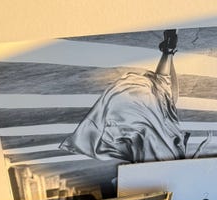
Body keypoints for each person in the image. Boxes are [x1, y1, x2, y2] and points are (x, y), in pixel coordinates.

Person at [59, 30, 189, 163]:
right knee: (165, 98)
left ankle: (169, 51)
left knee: (165, 97)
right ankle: (169, 51)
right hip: (149, 144)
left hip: (163, 150)